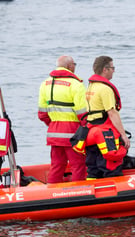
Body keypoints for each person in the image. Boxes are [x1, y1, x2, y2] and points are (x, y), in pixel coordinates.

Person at [38, 55, 87, 183]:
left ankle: (51, 195)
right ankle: (78, 194)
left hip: (54, 132)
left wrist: (55, 124)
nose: (75, 67)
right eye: (75, 64)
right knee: (78, 165)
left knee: (57, 166)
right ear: (69, 66)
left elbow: (42, 114)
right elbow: (83, 113)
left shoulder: (45, 84)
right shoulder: (76, 84)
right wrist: (86, 128)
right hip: (73, 132)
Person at [84, 56, 130, 179]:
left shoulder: (91, 86)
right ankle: (116, 195)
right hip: (105, 134)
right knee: (111, 167)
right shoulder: (105, 88)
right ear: (105, 69)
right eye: (112, 68)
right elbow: (112, 113)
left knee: (93, 169)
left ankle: (91, 193)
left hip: (91, 132)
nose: (113, 71)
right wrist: (123, 135)